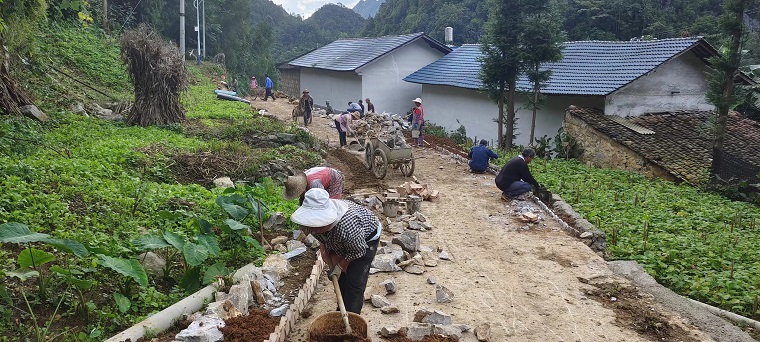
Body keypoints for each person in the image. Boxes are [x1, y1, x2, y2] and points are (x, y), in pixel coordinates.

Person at [290, 188, 381, 314]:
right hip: (343, 238)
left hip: (366, 238)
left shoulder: (347, 227)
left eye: (317, 225)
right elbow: (323, 240)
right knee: (342, 279)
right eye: (312, 225)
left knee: (354, 281)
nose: (313, 230)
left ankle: (351, 317)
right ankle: (342, 312)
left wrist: (340, 266)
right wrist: (327, 254)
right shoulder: (311, 226)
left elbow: (358, 251)